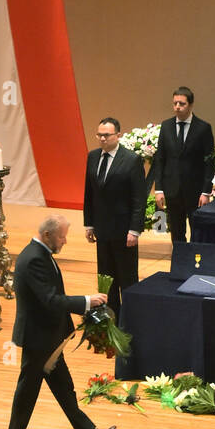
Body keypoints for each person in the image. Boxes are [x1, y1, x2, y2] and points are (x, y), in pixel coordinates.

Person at [6, 216, 116, 429]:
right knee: (28, 389)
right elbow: (51, 300)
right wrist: (87, 302)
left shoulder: (40, 254)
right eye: (62, 236)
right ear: (47, 235)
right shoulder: (34, 259)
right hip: (38, 337)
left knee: (63, 387)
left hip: (47, 336)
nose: (65, 241)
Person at [83, 116, 146, 321]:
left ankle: (130, 320)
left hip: (124, 230)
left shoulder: (131, 159)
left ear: (118, 135)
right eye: (99, 135)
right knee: (106, 278)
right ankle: (110, 318)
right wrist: (89, 223)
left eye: (106, 135)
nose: (102, 139)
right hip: (102, 229)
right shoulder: (92, 157)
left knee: (127, 278)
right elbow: (89, 193)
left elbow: (139, 198)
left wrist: (134, 230)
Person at [152, 87, 215, 244]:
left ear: (191, 105)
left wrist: (206, 192)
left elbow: (209, 163)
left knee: (198, 232)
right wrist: (159, 189)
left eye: (182, 103)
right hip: (172, 189)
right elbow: (160, 159)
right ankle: (180, 264)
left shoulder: (203, 128)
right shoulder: (166, 126)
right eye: (175, 103)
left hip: (195, 191)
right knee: (176, 233)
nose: (177, 107)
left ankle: (196, 265)